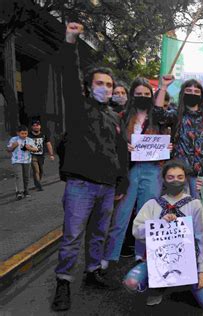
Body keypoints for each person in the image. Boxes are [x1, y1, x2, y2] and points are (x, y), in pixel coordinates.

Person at [51, 23, 129, 312]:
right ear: (88, 87)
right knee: (72, 236)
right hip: (80, 186)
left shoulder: (115, 118)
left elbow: (120, 153)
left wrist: (121, 184)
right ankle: (63, 282)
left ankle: (93, 270)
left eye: (109, 85)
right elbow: (69, 77)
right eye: (100, 84)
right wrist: (71, 41)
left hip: (107, 188)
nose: (105, 89)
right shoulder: (77, 107)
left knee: (99, 234)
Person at [123, 160, 203, 309]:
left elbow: (202, 238)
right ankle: (157, 286)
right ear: (163, 180)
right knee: (131, 283)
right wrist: (158, 224)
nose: (176, 181)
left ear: (186, 179)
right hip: (158, 261)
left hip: (191, 262)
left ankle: (188, 281)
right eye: (171, 177)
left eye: (180, 177)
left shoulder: (194, 204)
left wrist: (202, 270)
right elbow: (136, 231)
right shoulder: (152, 204)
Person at [102, 77, 165, 268]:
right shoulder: (123, 116)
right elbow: (114, 142)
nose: (143, 97)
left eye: (147, 94)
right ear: (132, 96)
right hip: (130, 169)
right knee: (121, 214)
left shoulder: (158, 118)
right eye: (139, 94)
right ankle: (110, 255)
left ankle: (142, 253)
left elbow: (169, 128)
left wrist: (168, 145)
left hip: (153, 169)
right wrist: (124, 147)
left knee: (147, 214)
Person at [155, 75, 203, 198]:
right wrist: (163, 87)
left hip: (202, 172)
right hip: (179, 171)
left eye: (196, 91)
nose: (192, 93)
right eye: (189, 91)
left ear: (201, 95)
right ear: (183, 93)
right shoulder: (176, 115)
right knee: (180, 206)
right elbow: (158, 114)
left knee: (201, 208)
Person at [6, 125, 38, 200]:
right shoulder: (13, 139)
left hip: (27, 160)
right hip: (16, 161)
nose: (24, 135)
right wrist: (13, 146)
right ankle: (19, 192)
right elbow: (8, 150)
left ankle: (26, 191)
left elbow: (36, 149)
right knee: (19, 176)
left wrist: (30, 148)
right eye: (22, 133)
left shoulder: (29, 140)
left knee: (26, 176)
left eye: (25, 133)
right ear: (18, 133)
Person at [29, 118, 55, 191]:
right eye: (34, 126)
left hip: (41, 156)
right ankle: (38, 186)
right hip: (32, 155)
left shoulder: (43, 135)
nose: (36, 127)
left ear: (40, 126)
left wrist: (51, 154)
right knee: (36, 170)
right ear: (32, 127)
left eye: (37, 125)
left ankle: (37, 182)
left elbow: (48, 144)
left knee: (40, 171)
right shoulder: (29, 135)